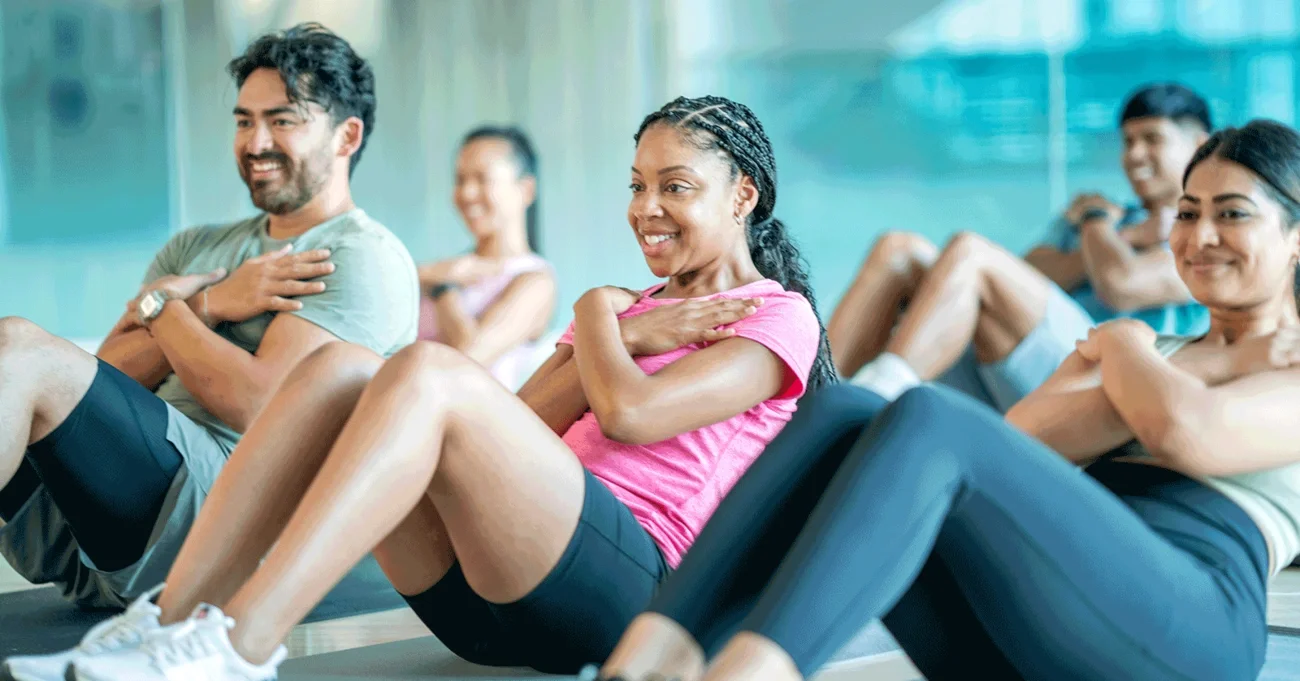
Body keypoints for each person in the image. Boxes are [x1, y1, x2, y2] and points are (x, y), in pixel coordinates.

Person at [29, 95, 835, 681]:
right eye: (635, 185)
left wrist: (596, 312)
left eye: (676, 187)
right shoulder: (638, 311)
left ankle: (237, 649)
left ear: (742, 195)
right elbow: (514, 424)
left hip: (624, 593)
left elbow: (632, 411)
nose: (646, 208)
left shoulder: (778, 314)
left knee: (422, 367)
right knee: (344, 370)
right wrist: (622, 328)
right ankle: (163, 627)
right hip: (493, 596)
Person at [593, 119, 1300, 681]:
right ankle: (646, 659)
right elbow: (1013, 445)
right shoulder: (1160, 356)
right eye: (1187, 212)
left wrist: (1122, 351)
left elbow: (1185, 430)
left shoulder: (1149, 350)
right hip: (1048, 625)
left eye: (1231, 214)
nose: (1200, 237)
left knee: (932, 413)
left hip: (1190, 633)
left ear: (1295, 235)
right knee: (846, 413)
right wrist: (1138, 374)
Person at [0, 22, 418, 681]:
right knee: (11, 354)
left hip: (215, 522)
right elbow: (103, 374)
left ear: (347, 136)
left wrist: (164, 308)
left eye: (282, 121)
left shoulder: (360, 256)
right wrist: (211, 305)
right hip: (102, 528)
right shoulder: (196, 246)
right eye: (244, 120)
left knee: (19, 345)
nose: (255, 143)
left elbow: (263, 407)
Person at [829, 83, 1213, 411]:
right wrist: (1126, 237)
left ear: (1199, 143)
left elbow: (1122, 285)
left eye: (1152, 139)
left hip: (1100, 390)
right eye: (1128, 141)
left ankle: (870, 397)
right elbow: (1027, 272)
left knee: (972, 253)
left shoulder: (1203, 230)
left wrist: (1095, 222)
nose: (1134, 155)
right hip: (1016, 371)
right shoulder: (1112, 218)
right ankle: (811, 400)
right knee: (900, 250)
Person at [416, 126, 557, 390]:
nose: (467, 193)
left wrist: (443, 289)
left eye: (482, 179)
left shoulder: (535, 279)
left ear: (525, 190)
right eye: (460, 180)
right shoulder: (445, 269)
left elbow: (469, 359)